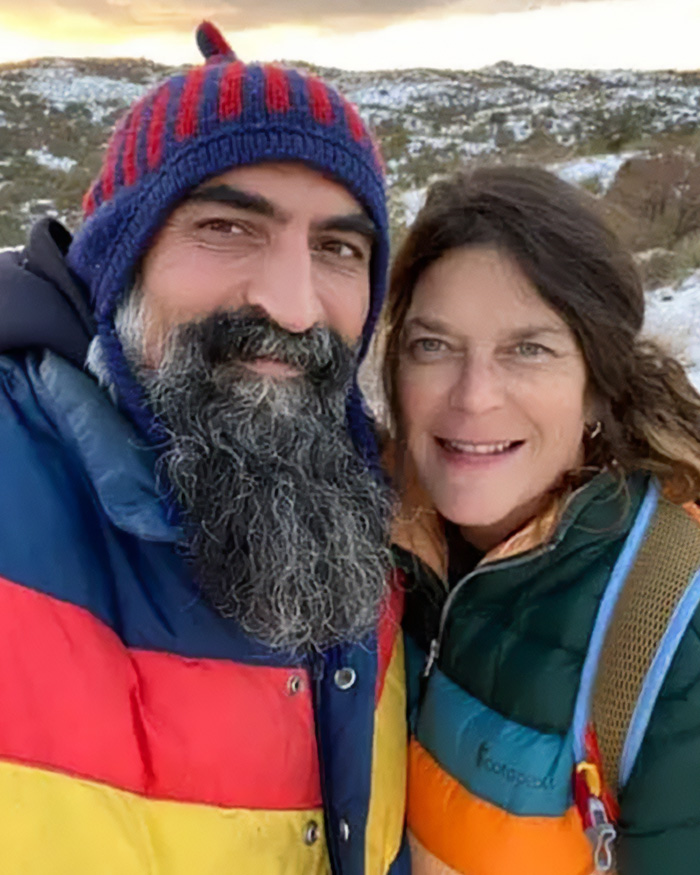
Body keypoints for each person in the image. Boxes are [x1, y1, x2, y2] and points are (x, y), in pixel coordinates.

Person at [0, 22, 408, 874]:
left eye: (339, 247)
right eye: (227, 227)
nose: (294, 306)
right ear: (120, 259)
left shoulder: (374, 507)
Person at [382, 165, 700, 875]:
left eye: (529, 348)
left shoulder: (673, 627)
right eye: (433, 344)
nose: (474, 397)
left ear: (597, 388)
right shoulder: (362, 536)